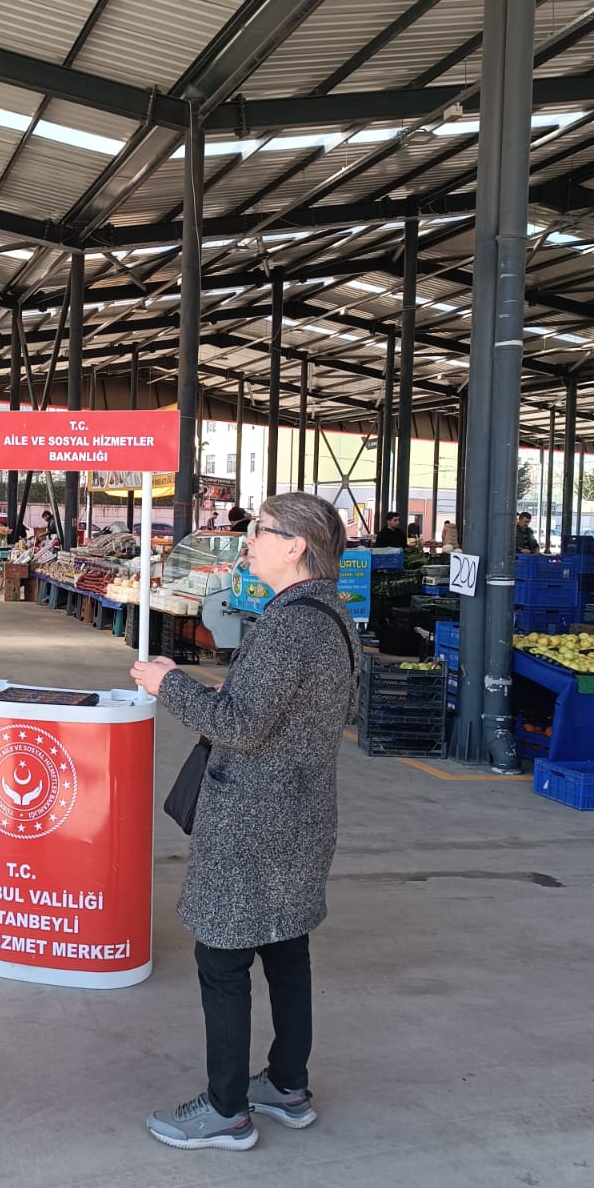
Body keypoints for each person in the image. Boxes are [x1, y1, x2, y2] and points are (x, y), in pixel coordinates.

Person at [131, 492, 358, 1151]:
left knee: (222, 959)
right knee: (286, 948)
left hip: (254, 820)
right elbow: (301, 711)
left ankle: (227, 1109)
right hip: (302, 812)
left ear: (296, 546)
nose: (248, 541)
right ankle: (287, 1085)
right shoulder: (331, 614)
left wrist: (169, 684)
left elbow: (240, 726)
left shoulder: (289, 625)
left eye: (260, 530)